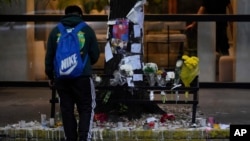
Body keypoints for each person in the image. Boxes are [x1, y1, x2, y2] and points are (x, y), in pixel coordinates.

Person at [45, 5, 100, 141]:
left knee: (67, 110)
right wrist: (84, 64)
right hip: (82, 77)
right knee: (86, 108)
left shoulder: (55, 31)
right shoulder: (87, 30)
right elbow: (95, 55)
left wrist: (51, 75)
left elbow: (49, 57)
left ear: (66, 15)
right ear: (80, 15)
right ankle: (83, 138)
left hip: (61, 78)